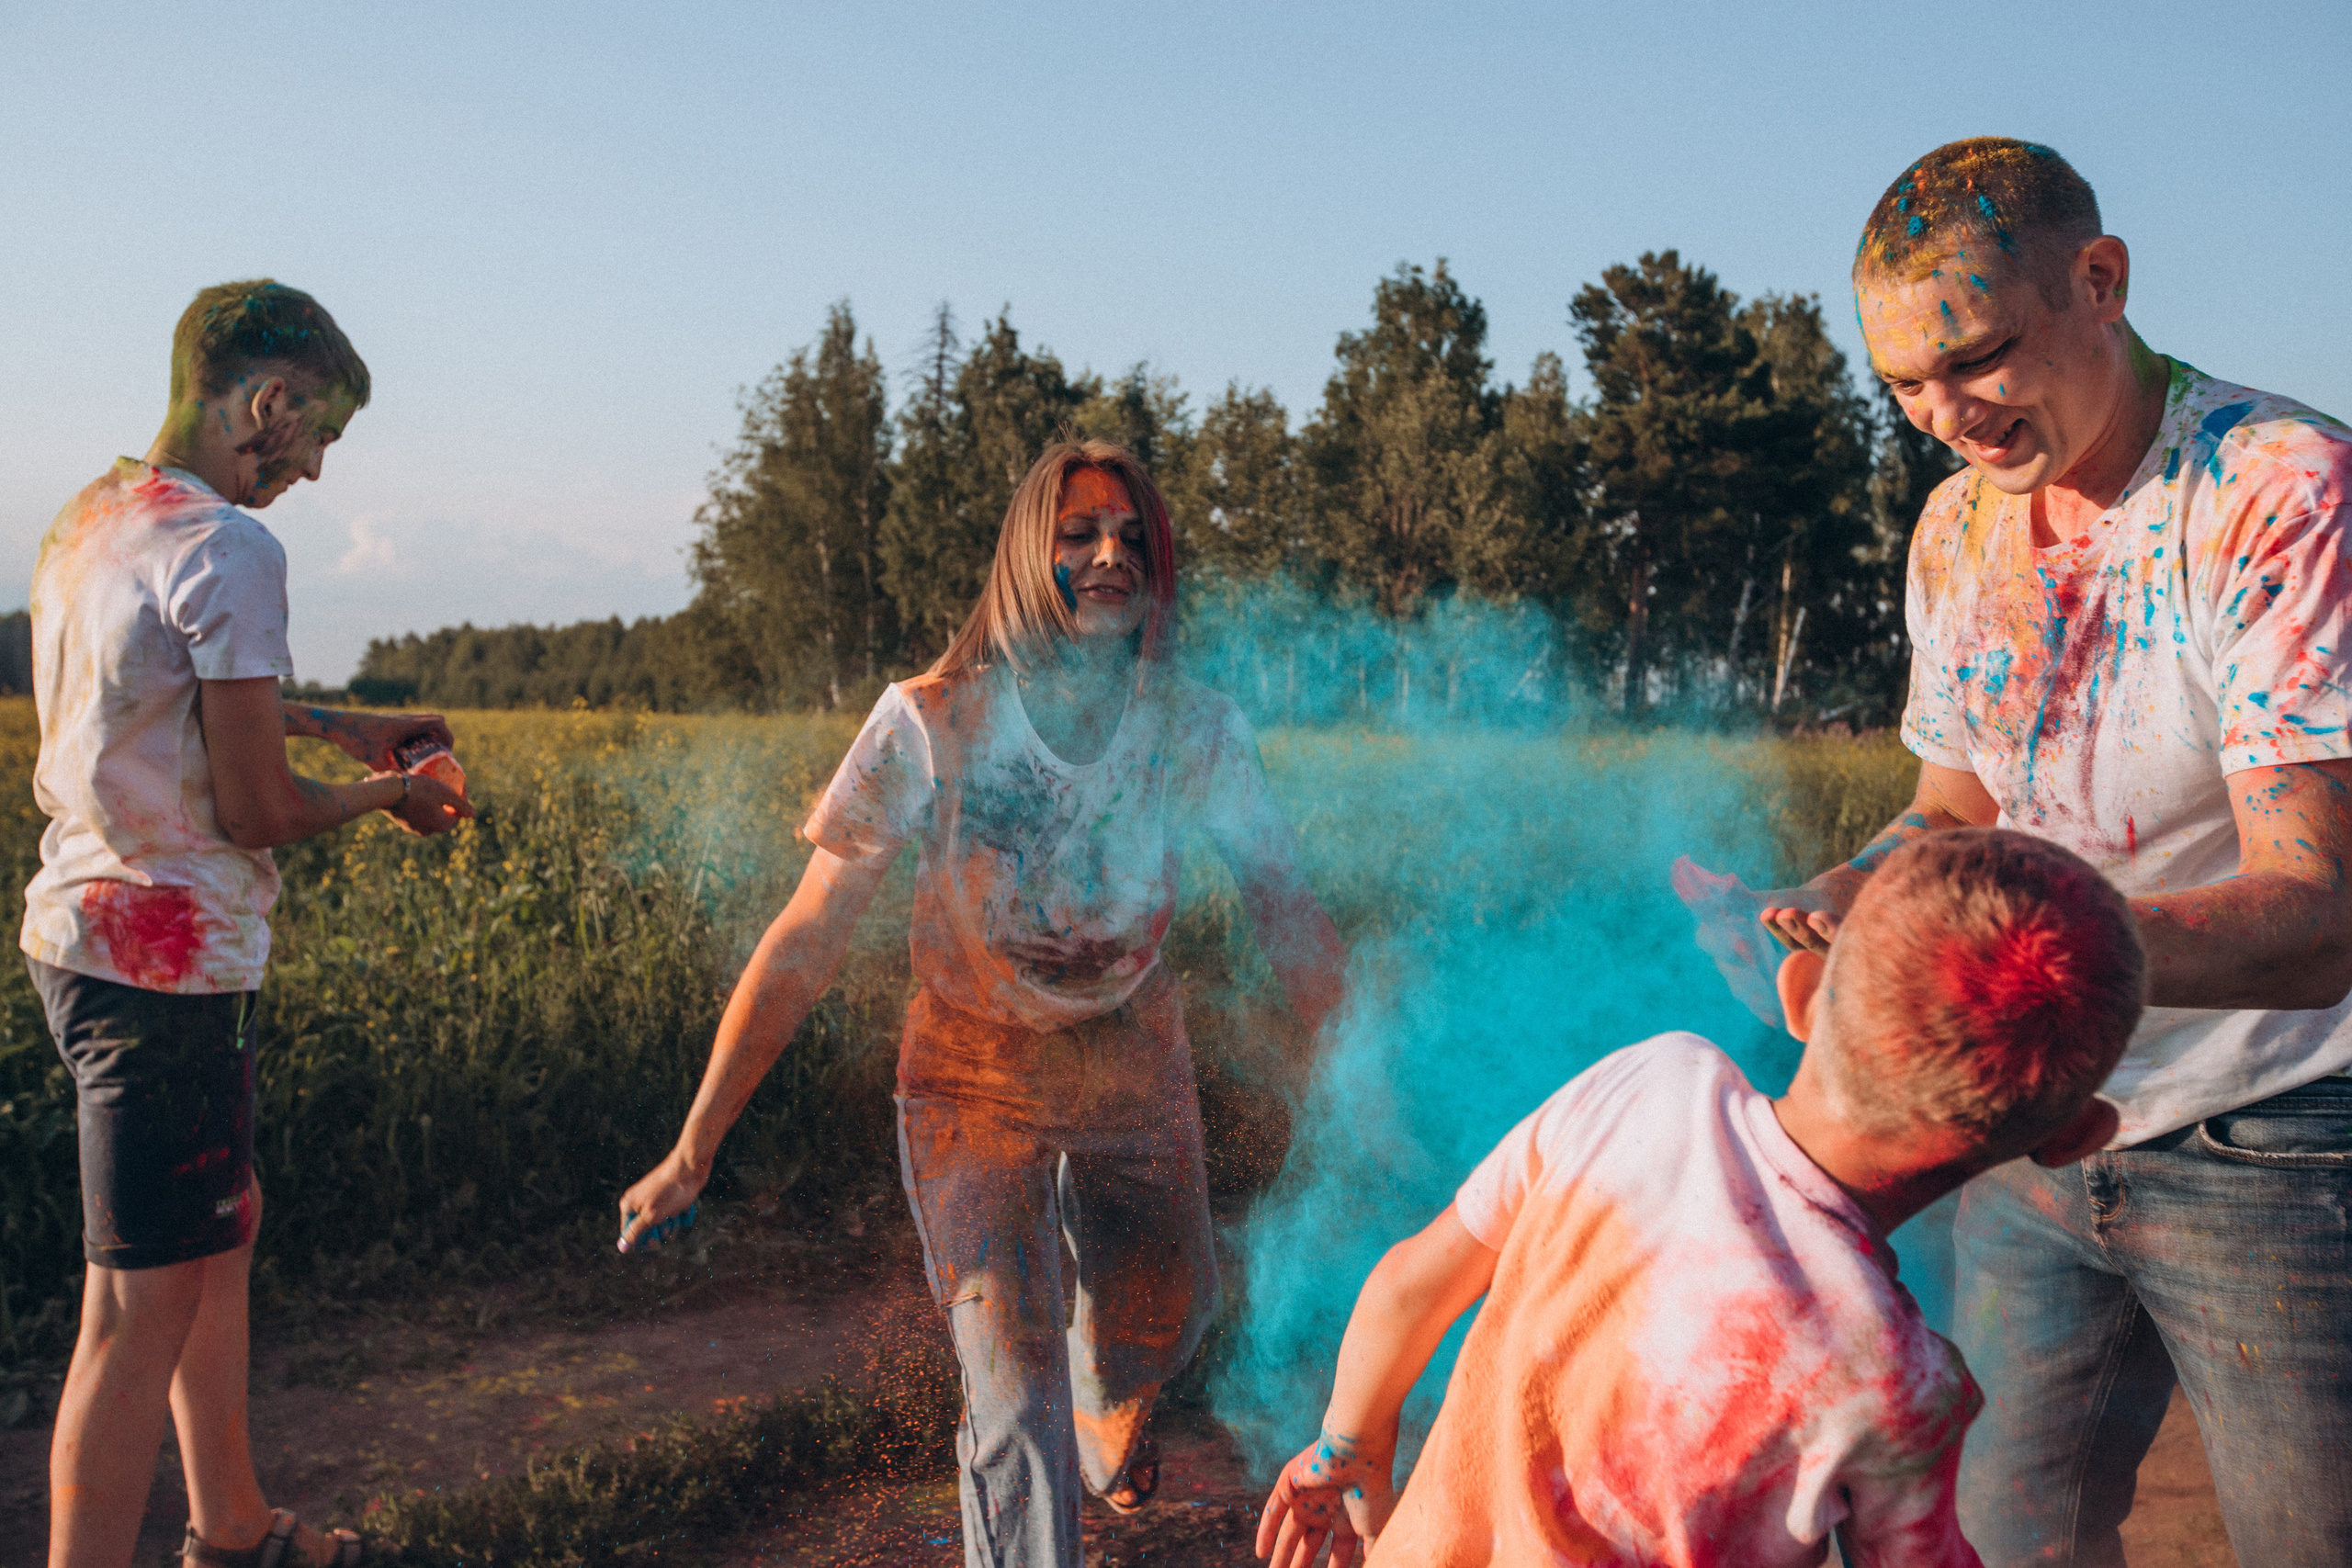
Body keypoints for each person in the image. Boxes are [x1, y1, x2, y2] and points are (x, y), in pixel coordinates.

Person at [1685, 138, 2352, 1564]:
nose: (1946, 416)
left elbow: (2320, 912)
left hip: (2281, 1131)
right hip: (2034, 1123)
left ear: (2100, 282)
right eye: (1905, 384)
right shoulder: (1957, 528)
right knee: (1992, 1532)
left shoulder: (2277, 488)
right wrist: (1841, 898)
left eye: (1976, 356)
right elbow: (1955, 805)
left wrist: (1988, 944)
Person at [618, 438, 1347, 1568]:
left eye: (1132, 538)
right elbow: (808, 936)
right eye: (1079, 535)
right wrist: (694, 1145)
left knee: (1174, 1311)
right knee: (1012, 1395)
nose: (1111, 555)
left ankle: (1115, 1402)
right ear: (1025, 556)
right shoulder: (930, 722)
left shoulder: (1195, 730)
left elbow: (1285, 910)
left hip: (1130, 1062)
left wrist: (1364, 1084)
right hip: (971, 1082)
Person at [1258, 829, 2144, 1568]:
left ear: (1800, 996)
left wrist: (1350, 1445)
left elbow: (1409, 1284)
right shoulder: (1898, 1383)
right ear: (2069, 1139)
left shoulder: (1650, 1082)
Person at [24, 279, 471, 1568]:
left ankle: (232, 1525)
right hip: (164, 971)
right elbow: (261, 810)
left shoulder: (96, 518)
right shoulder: (233, 544)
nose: (318, 466)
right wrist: (398, 793)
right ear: (268, 402)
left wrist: (342, 722)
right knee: (132, 1312)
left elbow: (168, 696)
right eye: (319, 431)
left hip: (87, 943)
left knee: (226, 1217)